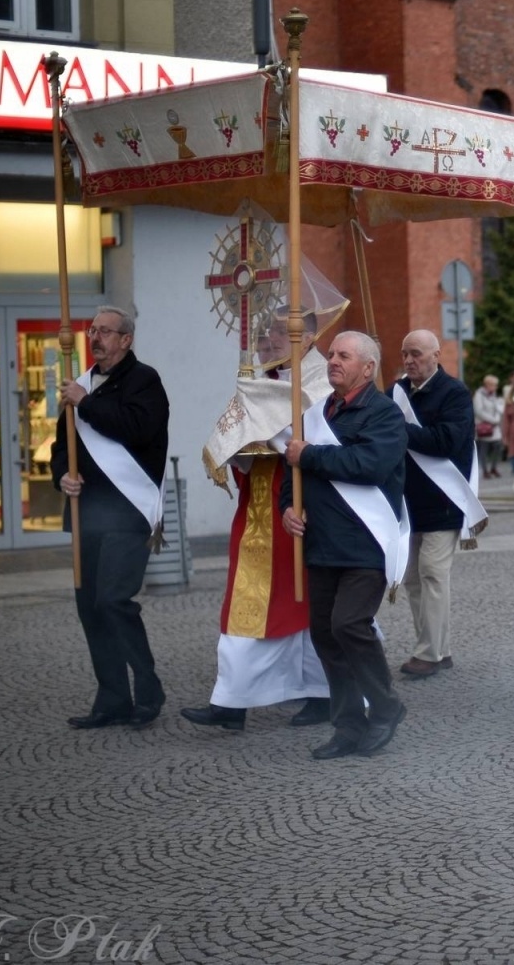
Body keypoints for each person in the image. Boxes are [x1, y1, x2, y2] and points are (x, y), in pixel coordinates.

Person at [183, 308, 334, 732]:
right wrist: (240, 447)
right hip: (260, 510)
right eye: (266, 333)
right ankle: (231, 701)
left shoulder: (321, 382)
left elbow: (328, 444)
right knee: (246, 604)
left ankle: (323, 693)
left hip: (304, 510)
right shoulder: (259, 382)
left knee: (314, 606)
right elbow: (238, 440)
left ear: (307, 337)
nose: (269, 341)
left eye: (280, 332)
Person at [282, 331, 408, 759]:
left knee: (349, 624)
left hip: (365, 541)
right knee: (325, 634)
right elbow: (292, 471)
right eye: (332, 354)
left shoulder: (384, 414)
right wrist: (288, 507)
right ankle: (348, 724)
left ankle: (386, 707)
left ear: (368, 368)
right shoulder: (315, 413)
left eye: (344, 356)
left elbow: (369, 465)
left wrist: (310, 455)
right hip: (322, 542)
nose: (332, 360)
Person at [53, 306, 169, 729]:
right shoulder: (82, 384)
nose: (95, 338)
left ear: (126, 339)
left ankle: (148, 689)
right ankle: (113, 699)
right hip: (87, 512)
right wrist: (62, 475)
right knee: (90, 607)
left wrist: (85, 403)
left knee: (113, 601)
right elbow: (60, 446)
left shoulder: (145, 380)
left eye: (105, 331)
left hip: (128, 512)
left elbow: (136, 429)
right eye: (92, 331)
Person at [391, 329, 483, 681]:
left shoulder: (454, 392)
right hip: (409, 501)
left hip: (444, 499)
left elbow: (446, 441)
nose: (409, 360)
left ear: (435, 355)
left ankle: (428, 653)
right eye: (405, 354)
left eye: (416, 353)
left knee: (432, 573)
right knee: (413, 578)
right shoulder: (397, 392)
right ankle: (438, 649)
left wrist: (400, 428)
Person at [473, 375, 504, 478]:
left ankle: (493, 467)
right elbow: (479, 411)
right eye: (494, 385)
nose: (496, 387)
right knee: (484, 449)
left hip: (494, 427)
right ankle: (485, 470)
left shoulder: (494, 395)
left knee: (498, 446)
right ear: (487, 385)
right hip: (484, 427)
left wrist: (497, 418)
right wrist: (493, 420)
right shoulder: (479, 395)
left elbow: (497, 408)